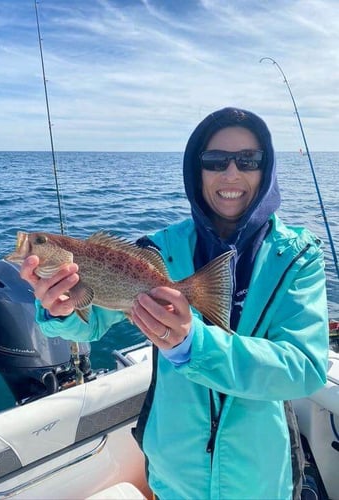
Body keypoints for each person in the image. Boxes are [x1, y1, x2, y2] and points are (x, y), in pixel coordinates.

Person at [20, 107, 328, 499]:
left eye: (248, 160)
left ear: (266, 169)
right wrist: (58, 308)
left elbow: (304, 369)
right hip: (172, 475)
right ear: (196, 172)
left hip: (259, 478)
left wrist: (192, 346)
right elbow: (93, 318)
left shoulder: (298, 256)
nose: (231, 174)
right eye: (215, 161)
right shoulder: (160, 248)